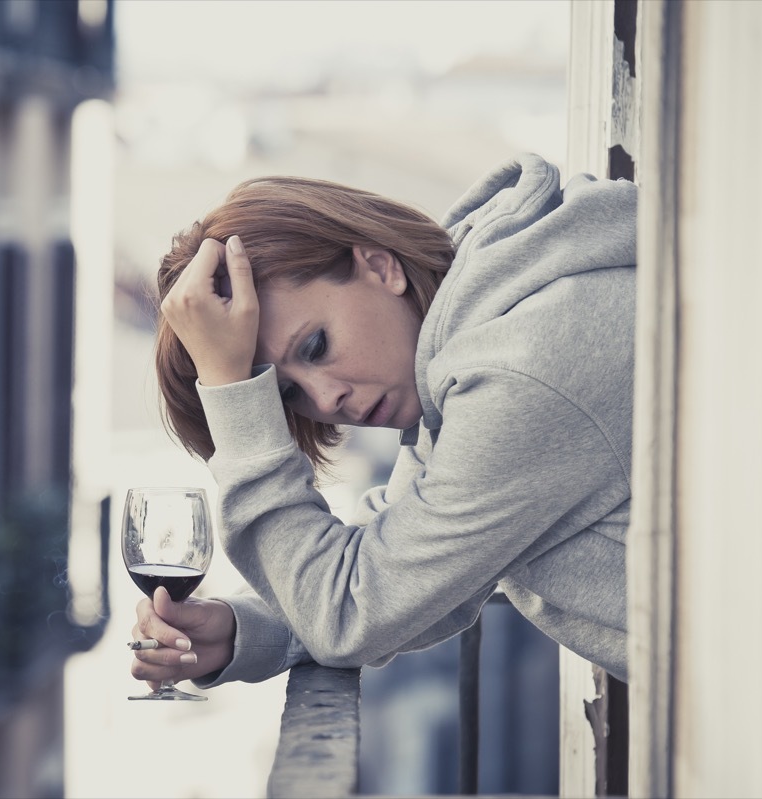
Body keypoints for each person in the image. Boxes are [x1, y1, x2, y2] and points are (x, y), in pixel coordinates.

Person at [129, 153, 637, 694]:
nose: (327, 398)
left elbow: (348, 617)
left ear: (379, 265)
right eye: (288, 394)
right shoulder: (471, 339)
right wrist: (240, 631)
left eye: (315, 346)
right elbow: (394, 569)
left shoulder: (520, 370)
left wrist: (232, 394)